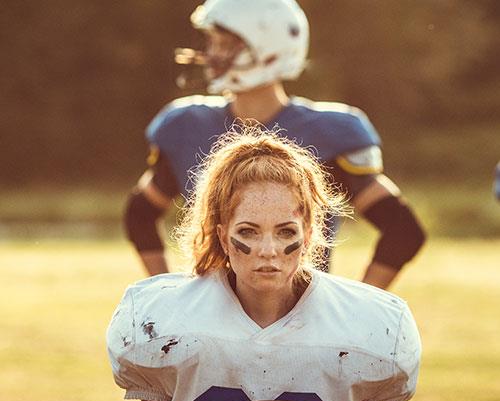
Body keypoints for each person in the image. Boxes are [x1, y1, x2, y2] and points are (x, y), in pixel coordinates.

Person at [108, 128, 422, 401]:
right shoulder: (170, 324)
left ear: (307, 235)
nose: (268, 250)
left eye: (285, 231)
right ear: (223, 236)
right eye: (249, 232)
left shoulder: (360, 326)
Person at [124, 0, 425, 289]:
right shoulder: (186, 125)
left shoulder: (331, 132)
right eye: (212, 42)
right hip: (211, 323)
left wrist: (357, 308)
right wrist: (163, 292)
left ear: (268, 47)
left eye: (226, 43)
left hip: (299, 317)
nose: (213, 53)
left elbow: (403, 230)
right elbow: (139, 213)